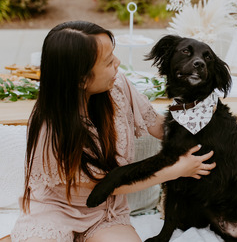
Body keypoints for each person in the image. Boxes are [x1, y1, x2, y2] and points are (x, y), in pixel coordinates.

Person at [10, 21, 216, 242]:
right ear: (81, 79)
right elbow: (104, 185)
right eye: (108, 62)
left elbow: (157, 125)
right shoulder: (48, 128)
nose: (117, 64)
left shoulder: (117, 85)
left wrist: (202, 119)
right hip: (56, 209)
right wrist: (177, 170)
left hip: (105, 213)